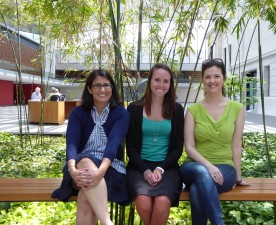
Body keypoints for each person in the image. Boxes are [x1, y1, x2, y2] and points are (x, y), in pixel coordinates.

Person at [52, 69, 129, 225]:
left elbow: (113, 145)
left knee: (84, 198)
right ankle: (108, 222)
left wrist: (100, 172)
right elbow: (72, 144)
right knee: (86, 161)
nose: (102, 90)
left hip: (110, 166)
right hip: (79, 167)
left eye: (106, 85)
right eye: (97, 85)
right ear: (89, 89)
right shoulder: (78, 113)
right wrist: (72, 169)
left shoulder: (121, 113)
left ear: (112, 88)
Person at [180, 58, 249, 225]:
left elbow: (236, 145)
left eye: (216, 76)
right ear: (202, 80)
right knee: (203, 174)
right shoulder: (193, 110)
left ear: (224, 79)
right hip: (194, 166)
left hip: (225, 168)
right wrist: (209, 166)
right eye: (207, 77)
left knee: (197, 190)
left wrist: (238, 178)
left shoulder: (237, 108)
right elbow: (189, 147)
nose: (212, 81)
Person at [126, 63, 184, 225]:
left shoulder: (177, 110)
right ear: (150, 81)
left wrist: (160, 168)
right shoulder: (134, 109)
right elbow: (130, 146)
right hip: (139, 166)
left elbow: (178, 147)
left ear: (170, 85)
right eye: (157, 80)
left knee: (162, 201)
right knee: (143, 201)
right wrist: (145, 170)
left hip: (167, 166)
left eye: (166, 81)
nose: (161, 85)